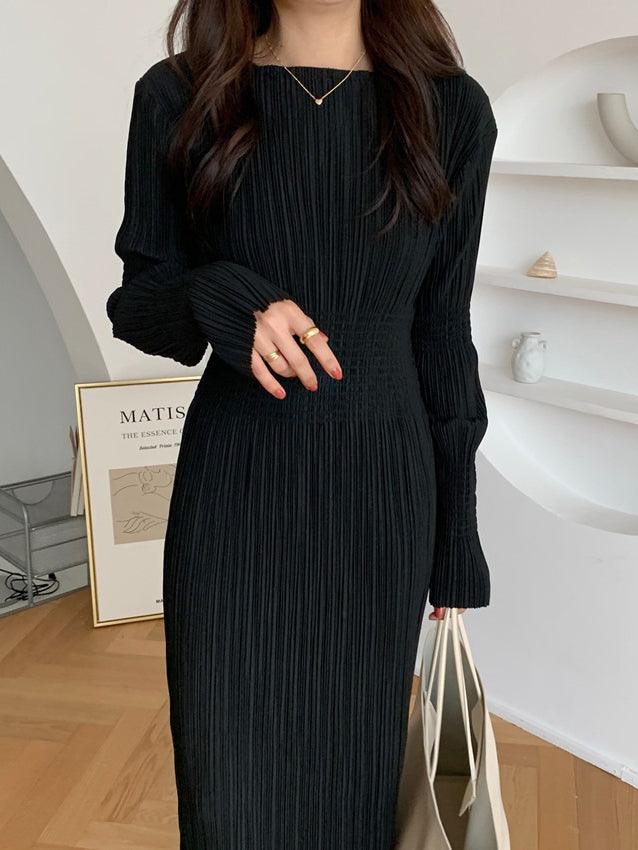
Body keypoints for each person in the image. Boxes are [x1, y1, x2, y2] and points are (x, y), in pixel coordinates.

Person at [106, 0, 497, 847]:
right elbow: (138, 303)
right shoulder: (179, 96)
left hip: (379, 495)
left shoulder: (452, 109)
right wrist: (220, 295)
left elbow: (442, 330)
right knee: (227, 789)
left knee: (352, 779)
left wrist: (456, 535)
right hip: (237, 490)